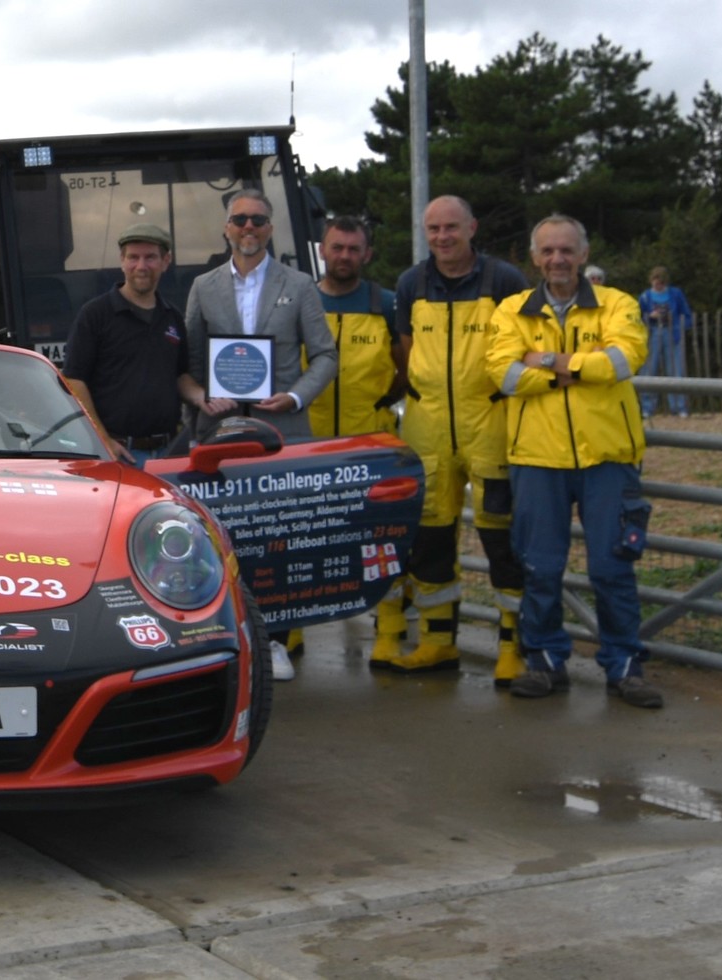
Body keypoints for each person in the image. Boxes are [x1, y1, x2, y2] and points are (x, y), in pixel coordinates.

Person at [489, 215, 660, 708]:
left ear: (583, 255)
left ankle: (625, 665)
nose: (557, 260)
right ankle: (543, 662)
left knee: (613, 567)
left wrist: (542, 360)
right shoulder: (512, 309)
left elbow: (624, 361)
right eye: (548, 251)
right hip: (537, 458)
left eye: (567, 251)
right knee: (540, 566)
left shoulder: (618, 303)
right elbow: (500, 373)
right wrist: (574, 369)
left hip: (608, 457)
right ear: (535, 257)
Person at [185, 188, 336, 680]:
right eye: (239, 220)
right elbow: (189, 360)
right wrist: (205, 394)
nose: (249, 227)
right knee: (228, 535)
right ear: (226, 228)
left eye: (258, 220)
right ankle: (229, 638)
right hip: (222, 432)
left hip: (281, 430)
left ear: (271, 228)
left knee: (279, 536)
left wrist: (294, 397)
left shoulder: (300, 285)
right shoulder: (203, 287)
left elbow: (326, 356)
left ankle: (277, 642)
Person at [385, 196, 528, 681]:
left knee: (501, 537)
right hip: (427, 430)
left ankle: (514, 646)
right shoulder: (411, 283)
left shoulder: (504, 280)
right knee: (429, 538)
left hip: (491, 424)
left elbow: (525, 347)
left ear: (472, 227)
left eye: (451, 227)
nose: (442, 237)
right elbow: (406, 354)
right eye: (433, 229)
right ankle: (438, 641)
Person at [63, 219, 211, 464]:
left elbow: (180, 375)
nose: (141, 266)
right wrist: (102, 439)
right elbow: (74, 380)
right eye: (133, 257)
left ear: (166, 261)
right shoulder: (95, 315)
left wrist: (201, 397)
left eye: (150, 257)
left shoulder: (172, 317)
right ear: (122, 261)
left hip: (168, 453)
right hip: (118, 454)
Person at [308, 216, 402, 439]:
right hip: (308, 438)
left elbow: (408, 371)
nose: (344, 256)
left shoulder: (387, 305)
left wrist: (379, 404)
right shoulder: (301, 303)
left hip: (370, 437)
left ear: (367, 254)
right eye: (337, 247)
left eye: (353, 249)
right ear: (322, 251)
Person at [637, 266, 693, 420]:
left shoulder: (675, 294)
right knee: (648, 370)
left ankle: (679, 407)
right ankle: (647, 408)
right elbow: (637, 318)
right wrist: (649, 316)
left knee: (676, 370)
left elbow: (687, 315)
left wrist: (681, 327)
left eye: (661, 283)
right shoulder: (645, 297)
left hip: (672, 334)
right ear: (651, 281)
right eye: (655, 282)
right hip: (652, 333)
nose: (658, 285)